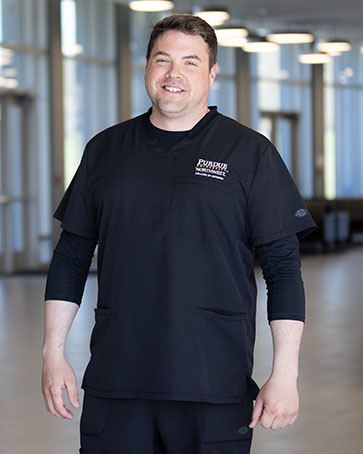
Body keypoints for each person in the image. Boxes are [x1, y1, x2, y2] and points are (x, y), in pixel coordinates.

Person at [41, 13, 316, 454]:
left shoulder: (250, 154)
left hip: (213, 383)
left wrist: (285, 374)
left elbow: (283, 270)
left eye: (190, 62)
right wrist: (52, 355)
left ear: (212, 74)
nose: (173, 74)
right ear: (147, 67)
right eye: (162, 59)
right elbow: (71, 258)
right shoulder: (105, 151)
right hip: (118, 381)